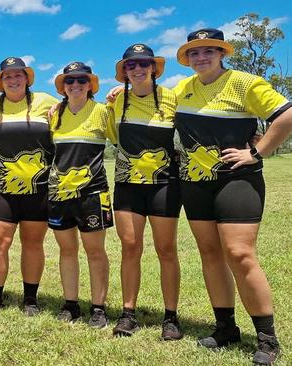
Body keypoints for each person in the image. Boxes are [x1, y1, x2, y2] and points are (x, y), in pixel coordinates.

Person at [173, 28, 292, 365]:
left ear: (221, 53)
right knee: (210, 253)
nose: (201, 57)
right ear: (188, 58)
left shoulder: (245, 83)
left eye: (208, 51)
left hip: (237, 180)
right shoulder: (183, 89)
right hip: (195, 183)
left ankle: (267, 338)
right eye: (194, 53)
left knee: (239, 254)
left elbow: (286, 115)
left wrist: (257, 151)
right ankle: (225, 328)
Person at [107, 44, 183, 340]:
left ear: (153, 67)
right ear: (124, 71)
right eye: (130, 65)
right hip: (127, 185)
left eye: (143, 64)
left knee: (166, 250)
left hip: (165, 184)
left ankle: (171, 317)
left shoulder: (172, 97)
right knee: (130, 248)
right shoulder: (115, 101)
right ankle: (128, 314)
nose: (137, 69)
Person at [0, 57, 59, 318]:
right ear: (0, 81)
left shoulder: (46, 102)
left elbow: (74, 112)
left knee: (33, 243)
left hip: (39, 188)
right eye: (7, 76)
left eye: (18, 75)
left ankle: (30, 299)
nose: (13, 80)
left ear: (27, 77)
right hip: (1, 189)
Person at [48, 62, 113, 328]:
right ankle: (71, 304)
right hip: (58, 193)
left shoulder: (103, 112)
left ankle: (98, 308)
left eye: (81, 81)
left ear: (90, 85)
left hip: (93, 194)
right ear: (63, 87)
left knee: (95, 251)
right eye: (69, 81)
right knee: (67, 250)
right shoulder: (54, 114)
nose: (75, 86)